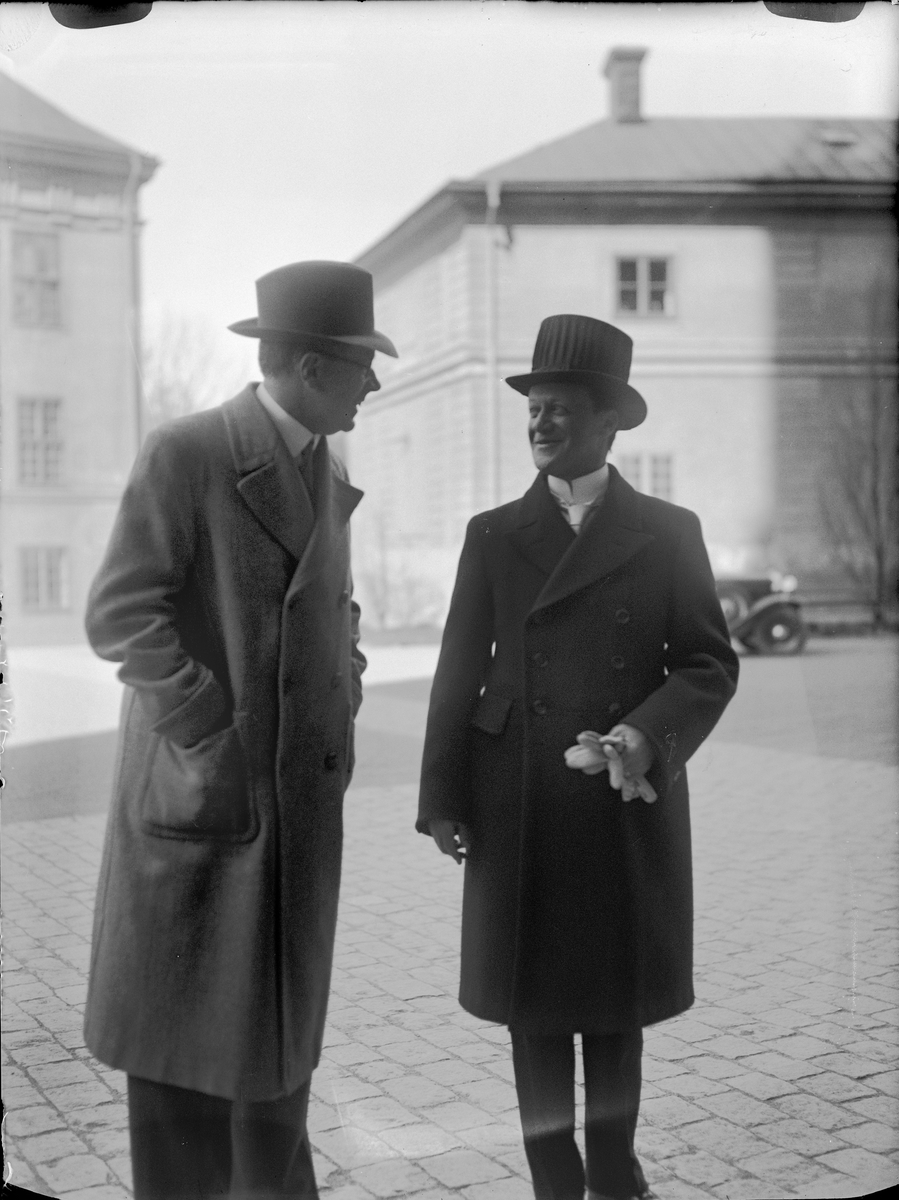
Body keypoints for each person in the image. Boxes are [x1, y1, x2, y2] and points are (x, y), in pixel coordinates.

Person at [83, 261, 396, 1200]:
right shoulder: (187, 453)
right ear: (307, 366)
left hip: (292, 816)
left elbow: (331, 613)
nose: (373, 385)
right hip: (202, 818)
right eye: (359, 366)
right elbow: (120, 613)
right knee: (182, 1067)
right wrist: (205, 729)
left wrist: (344, 682)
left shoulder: (321, 466)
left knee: (272, 1065)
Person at [418, 314, 739, 1200]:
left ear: (609, 423)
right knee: (532, 1014)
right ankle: (555, 1181)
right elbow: (457, 669)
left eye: (560, 409)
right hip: (515, 795)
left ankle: (612, 1172)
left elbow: (709, 661)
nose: (539, 423)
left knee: (612, 1010)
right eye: (532, 408)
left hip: (620, 795)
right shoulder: (492, 534)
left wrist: (644, 733)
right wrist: (442, 794)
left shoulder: (669, 530)